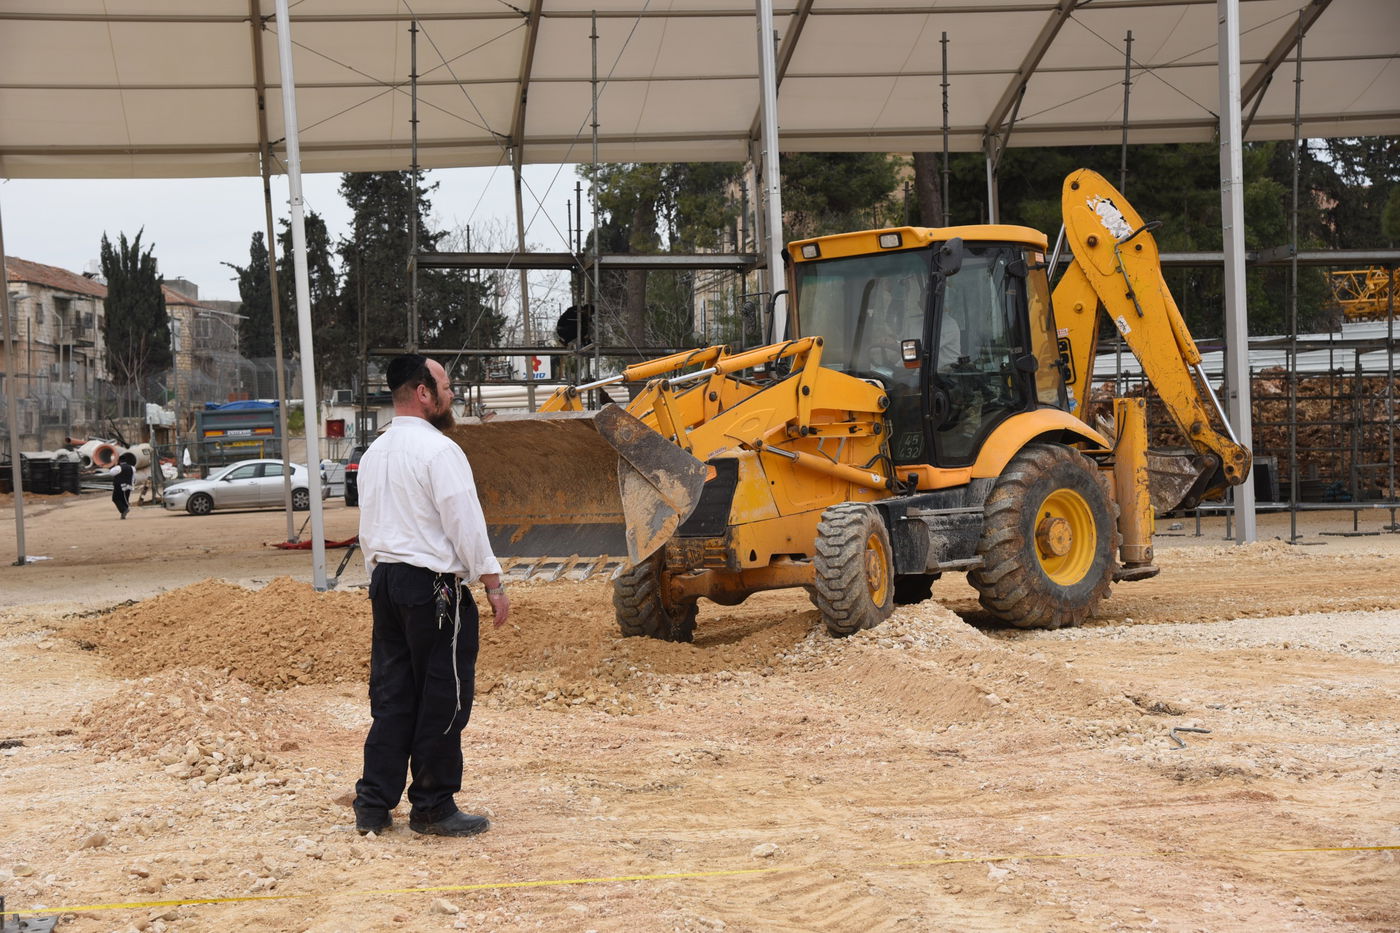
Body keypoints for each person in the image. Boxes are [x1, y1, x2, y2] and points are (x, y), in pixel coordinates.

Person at [352, 354, 511, 838]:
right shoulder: (440, 451)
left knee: (393, 695)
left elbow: (368, 527)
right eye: (445, 385)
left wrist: (378, 577)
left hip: (385, 582)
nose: (452, 393)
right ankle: (433, 805)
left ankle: (373, 805)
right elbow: (464, 521)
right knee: (443, 696)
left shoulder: (375, 452)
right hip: (435, 586)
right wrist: (492, 581)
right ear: (423, 392)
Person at [108, 452, 136, 519]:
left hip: (120, 486)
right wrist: (132, 484)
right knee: (125, 498)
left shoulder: (118, 468)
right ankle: (123, 512)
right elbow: (134, 477)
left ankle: (124, 509)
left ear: (119, 461)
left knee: (115, 498)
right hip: (128, 485)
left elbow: (111, 473)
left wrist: (114, 465)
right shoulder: (132, 467)